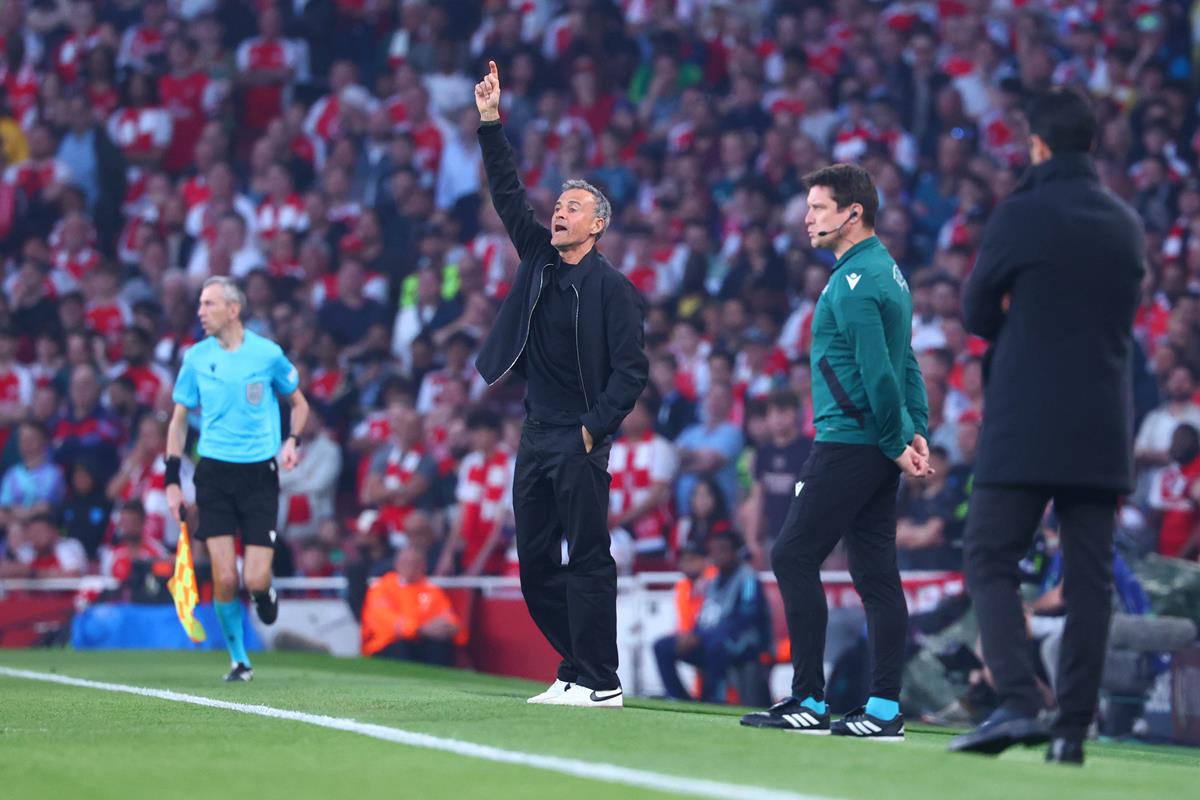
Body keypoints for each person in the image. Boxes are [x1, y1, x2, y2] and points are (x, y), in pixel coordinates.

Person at [948, 88, 1144, 764]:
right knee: (1091, 580)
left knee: (989, 555)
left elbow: (977, 312)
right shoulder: (1125, 223)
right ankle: (1072, 732)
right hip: (1101, 422)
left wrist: (1021, 318)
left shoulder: (1022, 213)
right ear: (1090, 143)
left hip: (1026, 420)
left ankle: (1018, 700)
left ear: (1037, 145)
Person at [473, 61, 648, 708]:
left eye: (574, 207)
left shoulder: (613, 290)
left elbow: (632, 371)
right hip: (535, 430)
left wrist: (593, 429)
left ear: (597, 225)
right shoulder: (539, 258)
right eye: (558, 206)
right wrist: (490, 121)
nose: (558, 213)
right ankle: (578, 666)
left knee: (589, 557)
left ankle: (602, 679)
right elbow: (507, 193)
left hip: (579, 432)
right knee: (536, 564)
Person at [742, 163, 929, 739]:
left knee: (792, 556)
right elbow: (906, 360)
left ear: (852, 213)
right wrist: (915, 428)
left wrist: (897, 440)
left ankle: (809, 698)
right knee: (876, 573)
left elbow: (878, 371)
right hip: (874, 442)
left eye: (818, 207)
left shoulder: (854, 281)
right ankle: (883, 710)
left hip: (849, 441)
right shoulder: (886, 271)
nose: (807, 218)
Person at [165, 275, 310, 682]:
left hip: (259, 474)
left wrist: (292, 440)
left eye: (208, 304)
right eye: (200, 304)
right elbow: (178, 421)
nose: (200, 312)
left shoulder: (267, 355)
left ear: (233, 309)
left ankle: (264, 592)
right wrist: (172, 479)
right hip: (214, 473)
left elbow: (299, 404)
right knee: (225, 576)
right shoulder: (196, 358)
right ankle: (239, 659)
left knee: (255, 577)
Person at [654, 533, 769, 704]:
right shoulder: (712, 581)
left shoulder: (748, 578)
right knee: (662, 646)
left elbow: (747, 617)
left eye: (723, 550)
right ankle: (679, 698)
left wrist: (701, 637)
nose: (718, 555)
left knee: (716, 647)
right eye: (714, 551)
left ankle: (713, 699)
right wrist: (692, 634)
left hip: (744, 641)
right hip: (710, 639)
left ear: (735, 552)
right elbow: (705, 616)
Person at [360, 546, 466, 666]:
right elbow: (385, 619)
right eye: (406, 562)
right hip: (388, 643)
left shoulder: (431, 590)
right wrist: (419, 629)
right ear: (397, 564)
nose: (411, 567)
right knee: (401, 648)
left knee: (440, 646)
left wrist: (449, 627)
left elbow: (446, 615)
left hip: (422, 641)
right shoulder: (382, 588)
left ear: (423, 566)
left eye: (415, 563)